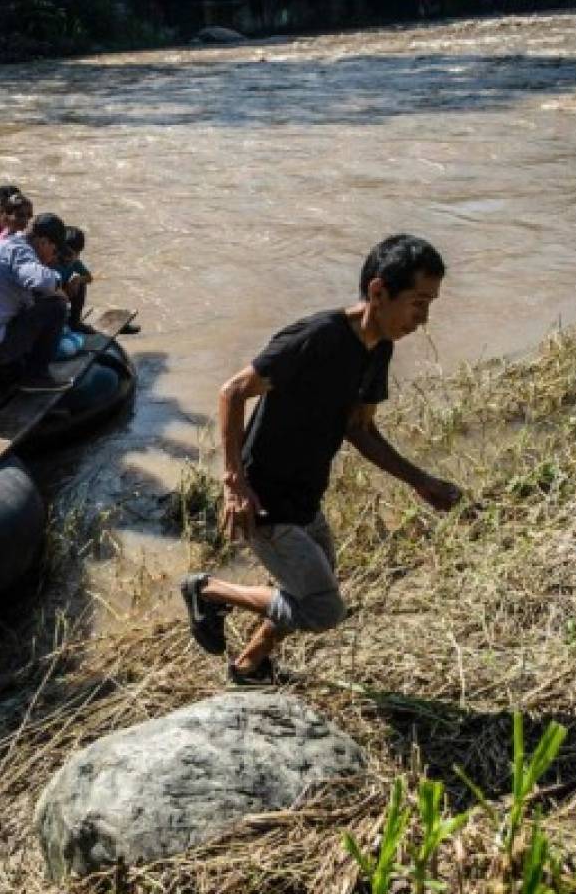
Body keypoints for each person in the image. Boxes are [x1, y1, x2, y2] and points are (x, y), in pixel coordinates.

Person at [180, 234, 463, 683]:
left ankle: (250, 664)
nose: (423, 319)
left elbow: (359, 428)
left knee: (309, 588)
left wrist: (421, 481)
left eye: (430, 304)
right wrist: (234, 481)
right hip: (265, 499)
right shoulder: (315, 338)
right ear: (377, 291)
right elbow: (232, 391)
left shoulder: (379, 348)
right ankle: (208, 591)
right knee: (322, 608)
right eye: (418, 302)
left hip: (307, 494)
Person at [0, 212, 73, 395]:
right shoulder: (20, 251)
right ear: (43, 242)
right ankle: (36, 377)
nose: (53, 257)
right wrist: (57, 283)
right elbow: (40, 281)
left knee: (36, 303)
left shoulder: (5, 244)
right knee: (56, 306)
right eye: (54, 250)